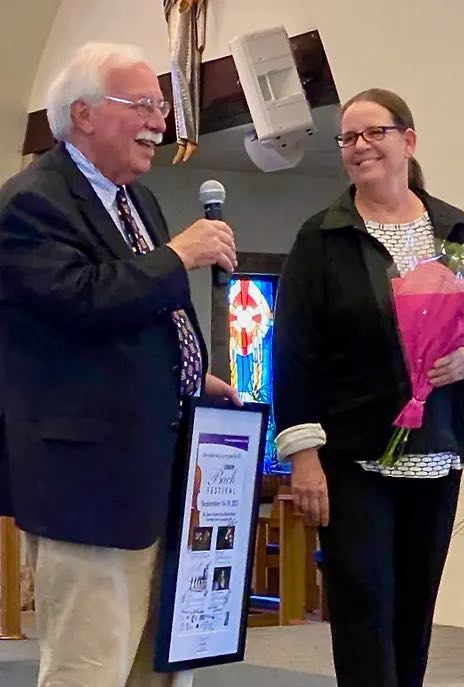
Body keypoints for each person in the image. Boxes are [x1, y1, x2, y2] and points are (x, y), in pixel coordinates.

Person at [0, 42, 240, 687]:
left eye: (160, 105)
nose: (159, 121)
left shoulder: (139, 201)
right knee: (90, 667)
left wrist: (191, 374)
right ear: (82, 114)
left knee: (158, 669)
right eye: (141, 104)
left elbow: (137, 314)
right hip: (90, 485)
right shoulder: (31, 202)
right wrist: (177, 258)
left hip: (161, 475)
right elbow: (77, 300)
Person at [273, 88, 464, 687]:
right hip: (353, 460)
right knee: (363, 616)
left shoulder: (454, 227)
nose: (359, 147)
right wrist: (303, 456)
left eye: (373, 133)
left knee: (413, 620)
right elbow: (294, 354)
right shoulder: (321, 237)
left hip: (439, 451)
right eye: (348, 138)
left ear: (408, 140)